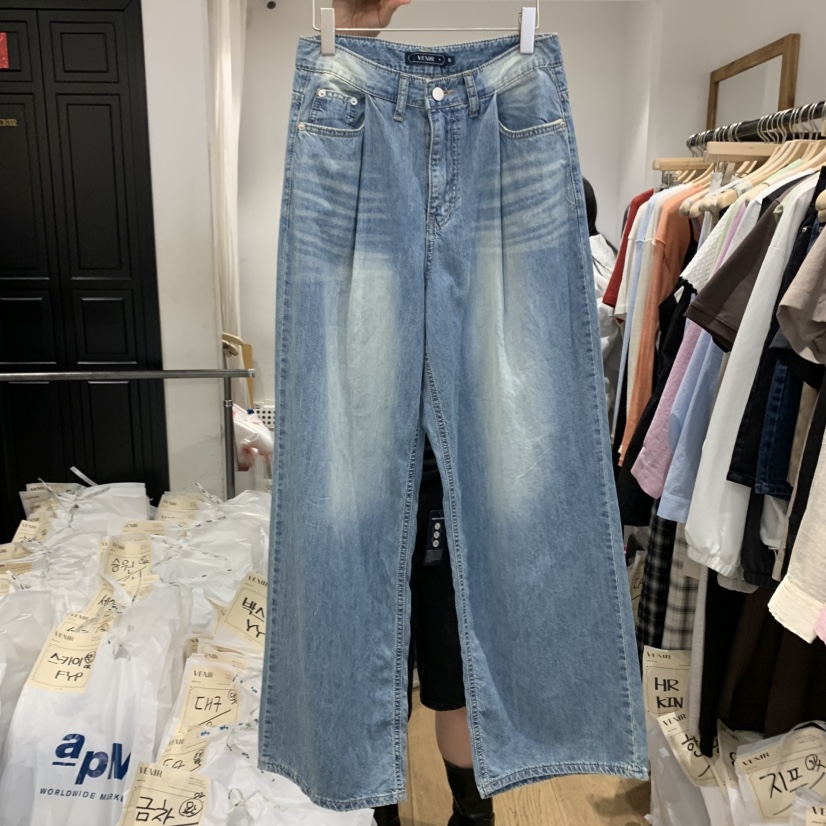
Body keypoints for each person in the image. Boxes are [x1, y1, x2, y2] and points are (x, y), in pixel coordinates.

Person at [327, 9, 494, 826]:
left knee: (391, 669)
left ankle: (423, 815)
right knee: (430, 669)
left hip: (396, 485)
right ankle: (462, 815)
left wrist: (353, 34)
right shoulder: (471, 268)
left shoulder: (365, 260)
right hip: (428, 492)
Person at [582, 178, 621, 422]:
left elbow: (596, 333)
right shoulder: (605, 250)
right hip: (601, 392)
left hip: (589, 396)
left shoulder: (585, 262)